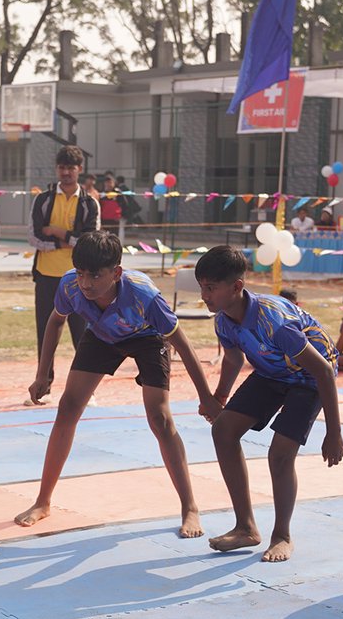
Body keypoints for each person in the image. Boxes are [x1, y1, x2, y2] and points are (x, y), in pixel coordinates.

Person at [12, 230, 216, 538]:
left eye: (95, 276)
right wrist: (43, 375)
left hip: (147, 338)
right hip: (103, 335)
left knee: (160, 419)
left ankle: (190, 507)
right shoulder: (70, 285)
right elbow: (56, 321)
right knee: (67, 408)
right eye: (81, 273)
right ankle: (43, 501)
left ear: (116, 273)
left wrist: (206, 397)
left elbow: (183, 344)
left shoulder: (143, 295)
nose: (86, 283)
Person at [192, 246, 343, 562]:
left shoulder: (274, 322)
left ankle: (282, 535)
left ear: (236, 287)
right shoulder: (223, 320)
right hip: (272, 372)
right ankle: (245, 527)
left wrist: (334, 433)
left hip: (309, 377)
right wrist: (220, 397)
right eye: (201, 287)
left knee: (280, 454)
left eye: (211, 288)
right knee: (223, 430)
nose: (204, 296)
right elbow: (233, 359)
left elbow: (323, 371)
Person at [28, 145, 100, 389]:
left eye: (71, 167)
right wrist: (68, 240)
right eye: (62, 167)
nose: (66, 172)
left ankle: (85, 389)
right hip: (46, 276)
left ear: (80, 169)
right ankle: (43, 384)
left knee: (84, 335)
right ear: (56, 169)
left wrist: (58, 232)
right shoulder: (43, 199)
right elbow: (34, 237)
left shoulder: (90, 203)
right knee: (45, 333)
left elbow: (90, 240)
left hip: (80, 279)